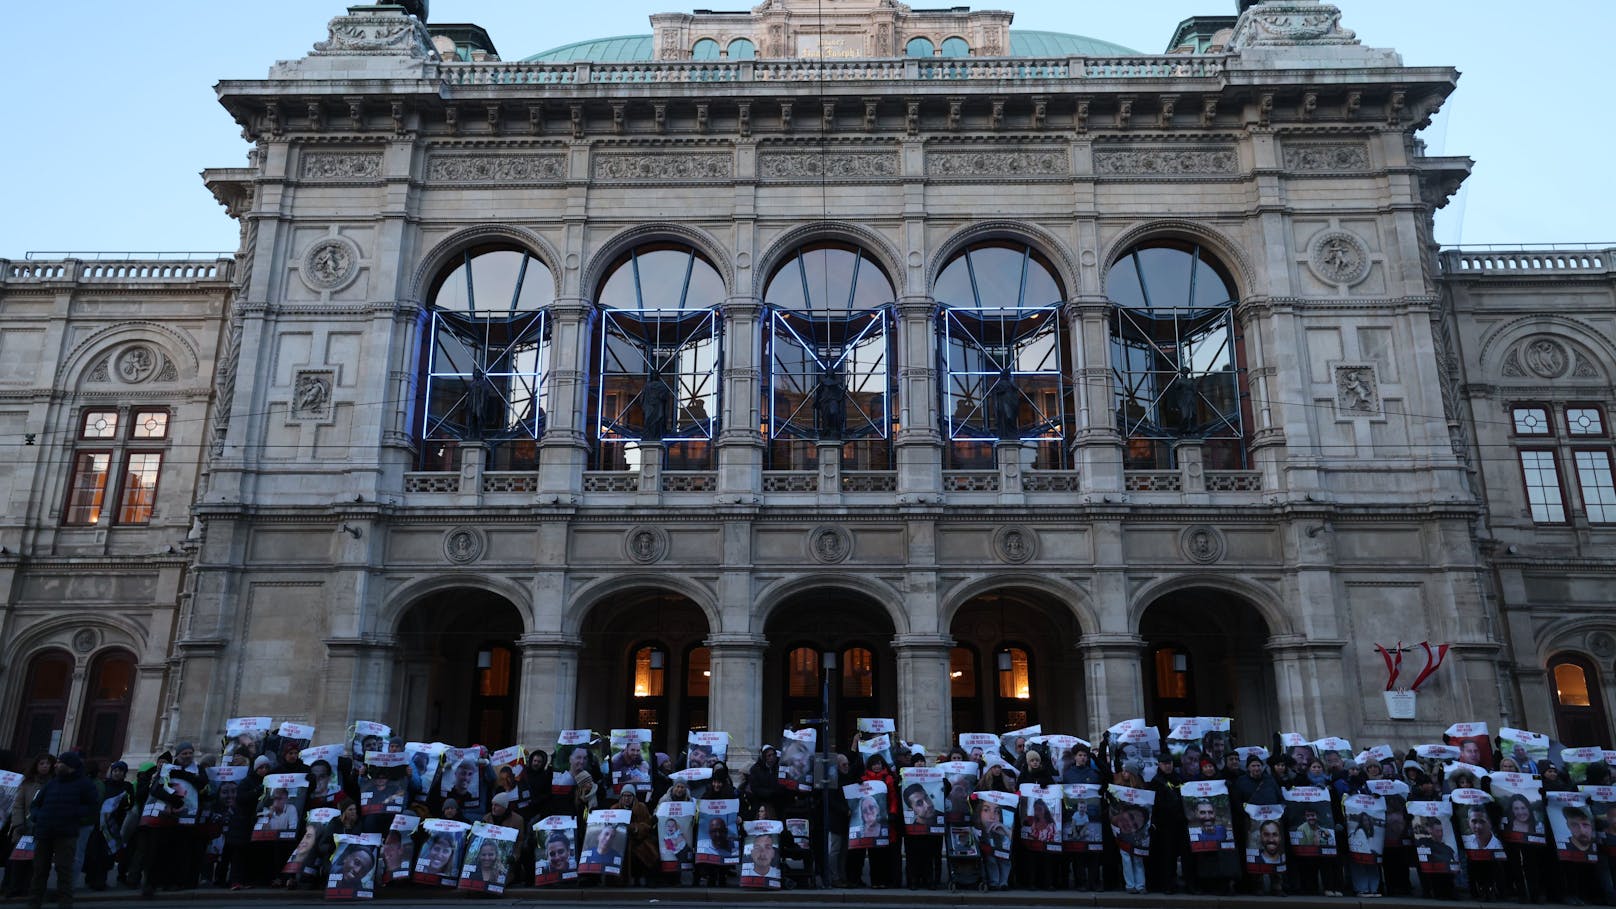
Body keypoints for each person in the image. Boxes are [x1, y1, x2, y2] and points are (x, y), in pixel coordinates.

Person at [25, 751, 98, 909]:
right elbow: (35, 805)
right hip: (44, 831)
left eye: (59, 762)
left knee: (64, 870)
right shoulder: (52, 783)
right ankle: (34, 903)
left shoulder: (84, 784)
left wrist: (72, 814)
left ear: (69, 766)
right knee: (39, 870)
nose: (55, 765)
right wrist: (38, 816)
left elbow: (92, 806)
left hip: (66, 833)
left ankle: (65, 904)